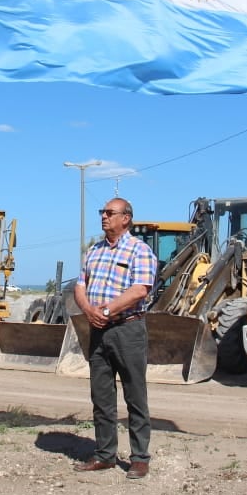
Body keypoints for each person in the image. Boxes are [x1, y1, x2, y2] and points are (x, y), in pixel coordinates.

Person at [72, 197, 158, 480]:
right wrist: (88, 310)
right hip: (98, 330)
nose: (104, 217)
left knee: (135, 395)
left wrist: (107, 311)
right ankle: (105, 455)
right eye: (103, 212)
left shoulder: (139, 251)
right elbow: (80, 285)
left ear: (126, 218)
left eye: (110, 213)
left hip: (127, 330)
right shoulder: (94, 251)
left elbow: (140, 290)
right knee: (101, 396)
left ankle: (139, 458)